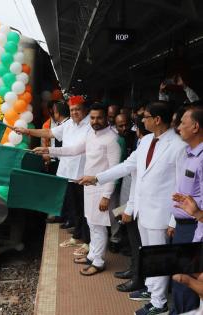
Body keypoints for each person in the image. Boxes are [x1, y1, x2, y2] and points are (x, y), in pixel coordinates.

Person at [79, 101, 187, 315]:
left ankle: (159, 304)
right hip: (144, 210)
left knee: (158, 257)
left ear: (157, 120)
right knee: (149, 255)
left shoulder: (178, 145)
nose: (141, 120)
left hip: (162, 212)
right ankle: (153, 292)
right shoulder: (146, 140)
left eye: (145, 116)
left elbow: (181, 185)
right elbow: (128, 166)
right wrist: (97, 178)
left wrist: (174, 219)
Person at [33, 102, 121, 275]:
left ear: (106, 118)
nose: (95, 121)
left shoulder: (112, 139)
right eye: (93, 118)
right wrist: (48, 150)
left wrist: (106, 196)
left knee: (99, 226)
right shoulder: (92, 135)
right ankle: (92, 255)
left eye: (99, 118)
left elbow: (114, 171)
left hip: (101, 189)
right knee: (92, 223)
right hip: (88, 186)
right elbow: (73, 150)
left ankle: (99, 261)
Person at [14, 95, 91, 255]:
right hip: (68, 172)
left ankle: (88, 241)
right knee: (74, 207)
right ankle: (77, 236)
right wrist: (27, 131)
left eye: (77, 109)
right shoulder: (69, 123)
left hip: (84, 173)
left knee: (86, 210)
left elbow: (75, 150)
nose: (75, 112)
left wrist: (49, 150)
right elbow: (49, 132)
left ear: (84, 110)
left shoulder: (90, 126)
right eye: (72, 110)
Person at [168, 106, 203, 314]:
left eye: (182, 122)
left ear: (196, 127)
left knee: (188, 282)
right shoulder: (189, 154)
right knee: (181, 280)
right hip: (186, 227)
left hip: (195, 228)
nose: (178, 127)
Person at [115, 115, 150, 293]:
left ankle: (139, 279)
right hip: (130, 199)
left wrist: (96, 178)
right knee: (134, 240)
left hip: (140, 204)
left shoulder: (148, 145)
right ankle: (134, 270)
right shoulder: (142, 144)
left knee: (141, 244)